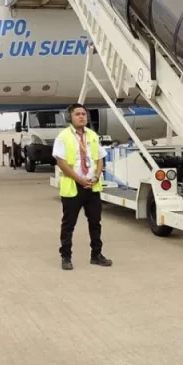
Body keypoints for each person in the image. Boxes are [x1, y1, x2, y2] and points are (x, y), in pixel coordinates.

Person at [53, 103, 113, 270]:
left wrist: (96, 176)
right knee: (68, 224)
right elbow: (61, 163)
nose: (81, 116)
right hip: (73, 187)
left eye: (84, 114)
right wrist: (79, 179)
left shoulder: (92, 135)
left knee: (95, 223)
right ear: (70, 118)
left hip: (92, 187)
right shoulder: (63, 137)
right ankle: (66, 257)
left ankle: (96, 255)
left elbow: (100, 158)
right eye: (77, 114)